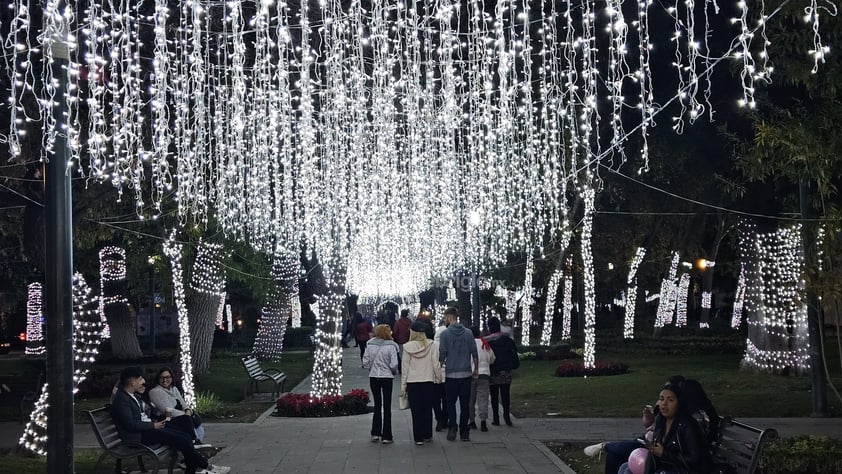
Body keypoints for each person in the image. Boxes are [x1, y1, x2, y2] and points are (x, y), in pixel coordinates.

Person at [111, 367, 229, 474]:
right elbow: (131, 425)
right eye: (140, 379)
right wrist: (153, 425)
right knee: (181, 439)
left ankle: (195, 468)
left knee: (185, 436)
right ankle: (207, 467)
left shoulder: (131, 395)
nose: (143, 382)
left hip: (147, 429)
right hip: (138, 436)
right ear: (132, 382)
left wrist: (153, 424)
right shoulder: (122, 399)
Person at [618, 383, 712, 474]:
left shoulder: (687, 426)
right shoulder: (661, 420)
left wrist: (664, 454)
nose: (664, 404)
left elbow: (695, 460)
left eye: (670, 400)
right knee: (625, 467)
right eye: (661, 399)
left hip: (682, 470)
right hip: (664, 466)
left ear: (679, 403)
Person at [438, 307, 478, 442]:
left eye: (445, 317)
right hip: (466, 373)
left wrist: (439, 367)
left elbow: (442, 353)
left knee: (450, 403)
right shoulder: (468, 333)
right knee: (465, 403)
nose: (444, 320)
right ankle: (464, 431)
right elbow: (474, 352)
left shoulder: (444, 335)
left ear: (450, 317)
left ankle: (452, 427)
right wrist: (476, 369)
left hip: (451, 374)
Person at [401, 323, 443, 445]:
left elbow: (405, 368)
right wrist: (439, 378)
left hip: (412, 382)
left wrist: (403, 386)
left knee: (416, 410)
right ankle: (427, 434)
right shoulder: (432, 345)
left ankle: (418, 437)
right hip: (428, 380)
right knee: (427, 408)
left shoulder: (407, 347)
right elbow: (436, 364)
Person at [148, 367, 207, 445]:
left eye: (167, 377)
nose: (165, 380)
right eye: (161, 378)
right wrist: (185, 414)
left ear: (172, 378)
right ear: (158, 379)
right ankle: (194, 443)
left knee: (199, 428)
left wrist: (188, 410)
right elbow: (168, 411)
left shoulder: (174, 389)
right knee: (188, 421)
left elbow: (183, 404)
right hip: (167, 420)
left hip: (182, 418)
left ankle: (197, 445)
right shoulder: (155, 392)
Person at [362, 324, 399, 444]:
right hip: (387, 377)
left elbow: (365, 361)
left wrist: (371, 367)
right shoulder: (392, 346)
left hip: (374, 376)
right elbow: (394, 364)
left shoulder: (370, 344)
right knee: (387, 405)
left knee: (377, 404)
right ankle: (387, 435)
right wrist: (392, 371)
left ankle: (375, 432)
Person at [486, 316, 519, 427]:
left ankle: (496, 418)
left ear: (489, 327)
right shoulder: (508, 340)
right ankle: (506, 416)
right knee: (505, 394)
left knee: (494, 395)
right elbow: (513, 353)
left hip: (493, 371)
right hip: (505, 370)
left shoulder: (487, 342)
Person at [468, 325, 495, 432]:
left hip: (471, 375)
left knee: (471, 399)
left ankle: (472, 421)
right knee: (483, 399)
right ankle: (483, 421)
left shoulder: (468, 345)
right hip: (484, 375)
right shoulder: (485, 344)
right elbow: (492, 358)